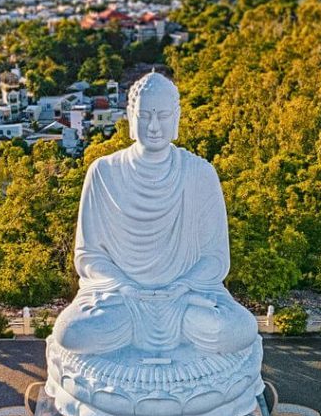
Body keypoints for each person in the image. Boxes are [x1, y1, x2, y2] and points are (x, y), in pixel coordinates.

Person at [52, 72, 258, 356]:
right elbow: (89, 257)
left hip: (186, 299)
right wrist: (125, 287)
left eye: (163, 115)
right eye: (145, 115)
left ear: (176, 118)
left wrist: (181, 287)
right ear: (130, 116)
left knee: (237, 328)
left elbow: (215, 258)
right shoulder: (103, 172)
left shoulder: (200, 173)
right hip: (120, 299)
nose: (154, 126)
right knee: (72, 332)